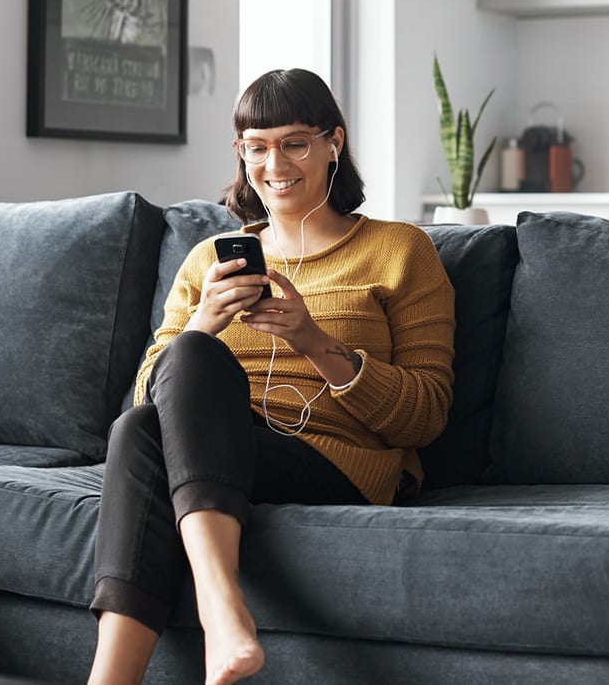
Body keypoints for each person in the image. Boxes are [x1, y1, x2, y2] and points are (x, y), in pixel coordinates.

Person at [87, 68, 455, 685]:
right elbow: (150, 392)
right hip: (224, 454)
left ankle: (217, 607)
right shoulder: (210, 258)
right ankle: (146, 658)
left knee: (144, 426)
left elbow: (426, 414)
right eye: (255, 147)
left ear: (333, 142)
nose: (273, 163)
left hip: (337, 461)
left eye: (294, 143)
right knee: (151, 409)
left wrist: (312, 340)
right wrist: (204, 320)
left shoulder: (400, 250)